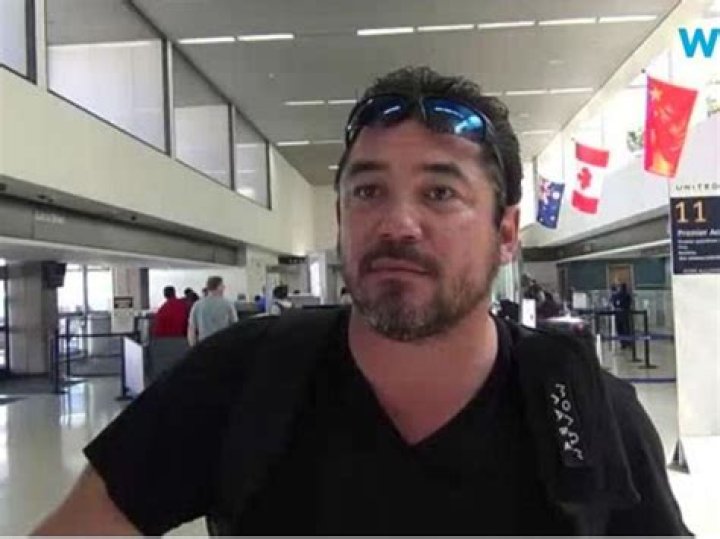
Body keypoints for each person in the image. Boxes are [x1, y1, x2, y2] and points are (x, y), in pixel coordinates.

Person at [34, 67, 688, 535]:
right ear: (341, 217)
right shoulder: (240, 380)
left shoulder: (587, 411)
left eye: (440, 193)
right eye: (368, 191)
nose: (396, 223)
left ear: (508, 232)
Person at [186, 276, 238, 346]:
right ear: (218, 287)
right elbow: (235, 327)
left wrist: (193, 346)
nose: (224, 287)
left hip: (204, 344)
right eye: (222, 285)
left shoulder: (197, 305)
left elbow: (191, 328)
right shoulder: (228, 304)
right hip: (223, 344)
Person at [611, 282, 634, 350]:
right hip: (625, 314)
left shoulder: (617, 295)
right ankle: (628, 343)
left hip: (619, 314)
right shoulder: (627, 295)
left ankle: (623, 343)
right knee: (626, 329)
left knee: (620, 329)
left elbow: (614, 303)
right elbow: (629, 304)